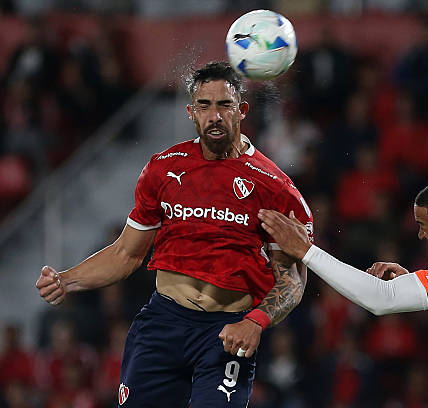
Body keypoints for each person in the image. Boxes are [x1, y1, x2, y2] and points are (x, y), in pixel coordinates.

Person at [36, 61, 314, 408]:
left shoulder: (276, 188)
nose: (214, 116)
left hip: (228, 331)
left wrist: (255, 322)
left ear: (241, 111)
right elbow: (126, 253)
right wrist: (66, 280)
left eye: (224, 105)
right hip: (164, 323)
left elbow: (293, 281)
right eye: (204, 105)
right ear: (191, 112)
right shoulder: (164, 168)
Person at [259, 175, 428, 407]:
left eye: (424, 226)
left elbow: (382, 299)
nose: (421, 235)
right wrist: (415, 283)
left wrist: (307, 251)